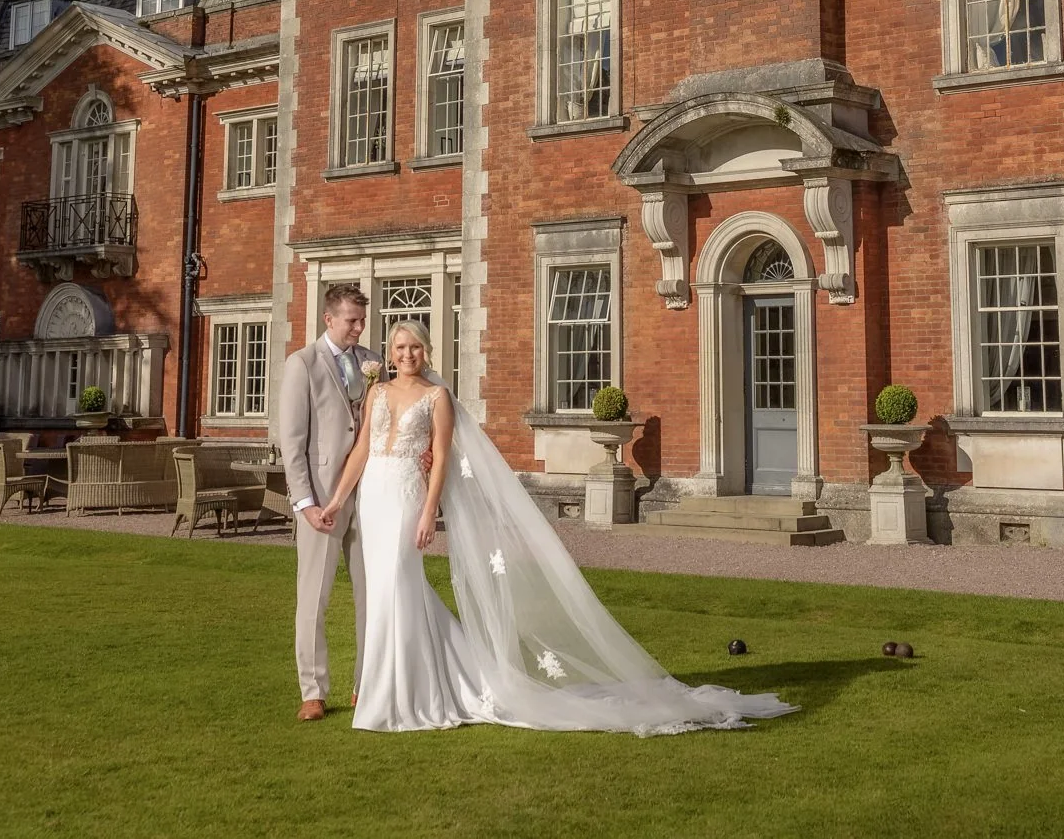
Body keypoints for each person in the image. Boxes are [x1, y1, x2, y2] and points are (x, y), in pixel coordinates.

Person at [318, 320, 794, 735]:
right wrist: (338, 501)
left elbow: (441, 458)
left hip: (406, 497)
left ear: (426, 352)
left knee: (402, 586)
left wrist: (428, 513)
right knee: (384, 593)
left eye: (415, 348)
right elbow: (361, 450)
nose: (407, 355)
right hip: (373, 498)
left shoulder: (436, 396)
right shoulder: (377, 393)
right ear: (390, 352)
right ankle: (394, 690)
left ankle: (403, 698)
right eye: (400, 348)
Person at [279, 281, 379, 721]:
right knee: (313, 598)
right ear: (328, 318)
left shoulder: (373, 362)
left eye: (362, 320)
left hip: (371, 493)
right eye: (351, 320)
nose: (359, 328)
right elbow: (292, 441)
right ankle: (313, 691)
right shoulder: (302, 364)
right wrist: (304, 503)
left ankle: (366, 684)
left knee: (371, 596)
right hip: (321, 499)